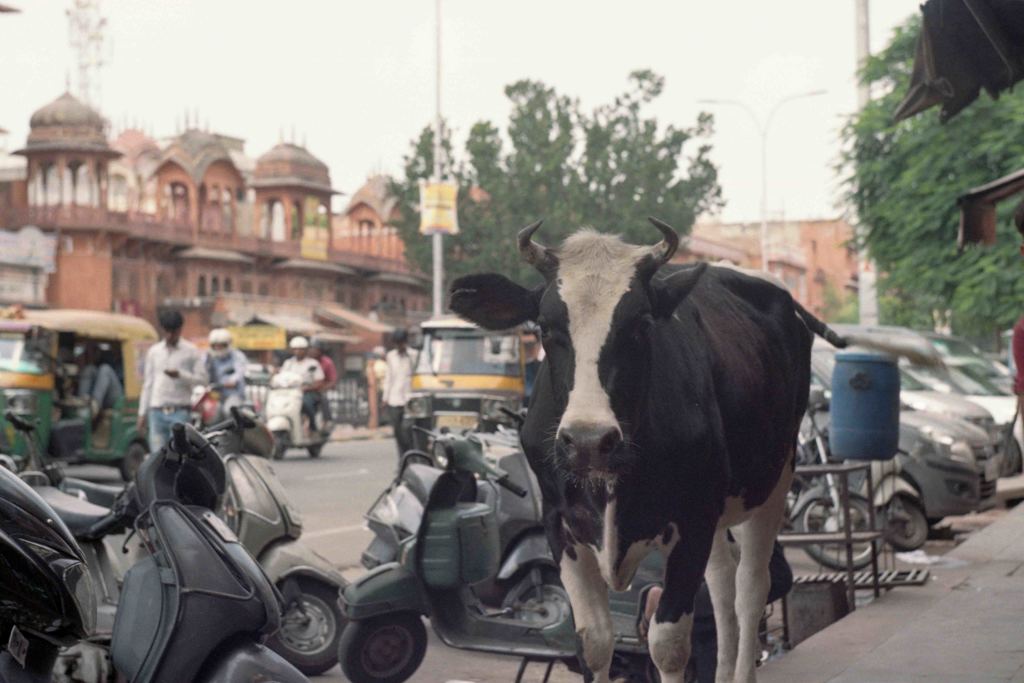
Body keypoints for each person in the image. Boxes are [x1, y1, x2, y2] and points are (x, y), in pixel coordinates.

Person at [137, 310, 207, 452]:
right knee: (157, 456)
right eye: (166, 332)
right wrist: (142, 413)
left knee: (177, 456)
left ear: (180, 330)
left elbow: (203, 380)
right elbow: (148, 383)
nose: (169, 336)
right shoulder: (154, 352)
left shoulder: (191, 351)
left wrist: (181, 375)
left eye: (173, 332)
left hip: (180, 411)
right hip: (156, 411)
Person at [279, 336, 325, 432]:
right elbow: (281, 377)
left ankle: (313, 427)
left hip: (307, 392)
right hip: (289, 393)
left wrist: (306, 388)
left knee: (306, 403)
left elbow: (319, 382)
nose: (298, 352)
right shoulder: (288, 363)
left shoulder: (313, 363)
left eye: (301, 349)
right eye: (295, 349)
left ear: (305, 350)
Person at [382, 329, 413, 458]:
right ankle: (402, 459)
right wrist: (385, 397)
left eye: (401, 343)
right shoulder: (390, 356)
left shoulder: (414, 355)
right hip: (394, 398)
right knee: (398, 432)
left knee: (407, 430)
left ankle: (411, 456)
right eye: (397, 343)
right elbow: (388, 377)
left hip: (409, 398)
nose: (399, 346)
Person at [204, 328, 248, 417]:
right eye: (215, 346)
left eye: (221, 345)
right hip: (213, 395)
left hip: (233, 394)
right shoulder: (208, 357)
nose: (218, 348)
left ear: (228, 344)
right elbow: (203, 372)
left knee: (229, 410)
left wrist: (231, 381)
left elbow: (240, 373)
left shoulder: (237, 356)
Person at [77, 342, 123, 425]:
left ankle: (94, 406)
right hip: (101, 393)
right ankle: (82, 402)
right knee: (89, 368)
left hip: (118, 397)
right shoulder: (108, 356)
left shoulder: (127, 359)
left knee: (105, 368)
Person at [309, 338, 336, 434]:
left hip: (318, 390)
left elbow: (332, 380)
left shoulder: (327, 362)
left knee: (323, 399)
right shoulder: (306, 361)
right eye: (311, 348)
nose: (313, 351)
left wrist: (322, 388)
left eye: (316, 349)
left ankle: (327, 421)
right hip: (304, 390)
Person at [522, 329, 542, 408]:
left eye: (530, 345)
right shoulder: (510, 369)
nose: (527, 350)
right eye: (523, 345)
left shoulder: (545, 370)